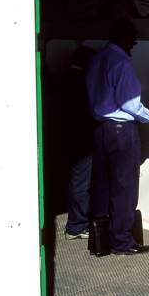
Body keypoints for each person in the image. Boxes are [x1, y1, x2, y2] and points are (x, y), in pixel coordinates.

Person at [86, 19, 149, 255]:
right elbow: (130, 104)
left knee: (102, 185)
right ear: (125, 37)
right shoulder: (121, 62)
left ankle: (100, 241)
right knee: (124, 186)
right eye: (133, 40)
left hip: (100, 128)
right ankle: (122, 242)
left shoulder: (97, 59)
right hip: (121, 131)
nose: (133, 45)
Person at [62, 46, 96, 240]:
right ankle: (76, 226)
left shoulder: (65, 78)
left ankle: (76, 223)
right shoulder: (80, 82)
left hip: (68, 138)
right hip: (81, 141)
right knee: (81, 183)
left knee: (75, 180)